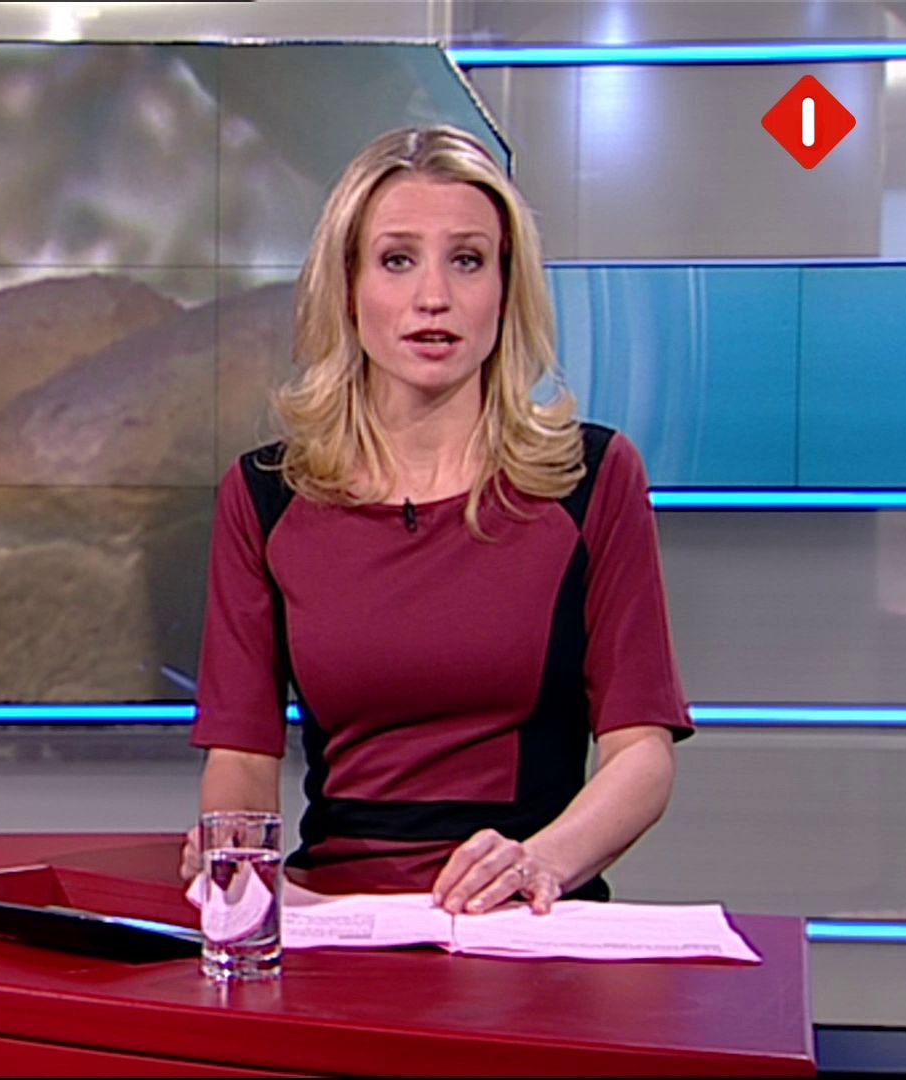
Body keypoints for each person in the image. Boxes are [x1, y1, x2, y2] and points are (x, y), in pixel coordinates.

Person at [182, 125, 693, 916]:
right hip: (333, 916)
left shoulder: (591, 479)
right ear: (347, 288)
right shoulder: (266, 496)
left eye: (468, 260)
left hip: (527, 918)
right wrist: (235, 856)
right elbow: (243, 755)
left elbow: (641, 756)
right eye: (397, 260)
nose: (434, 297)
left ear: (506, 290)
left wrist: (538, 861)